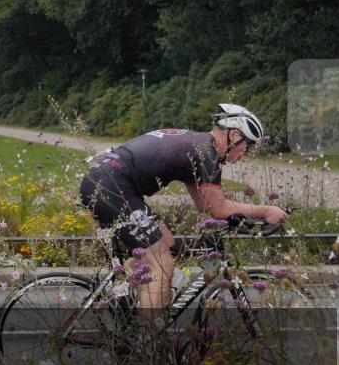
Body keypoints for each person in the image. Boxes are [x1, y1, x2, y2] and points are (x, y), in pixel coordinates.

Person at [79, 103, 289, 311]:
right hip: (111, 186)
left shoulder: (198, 145)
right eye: (248, 145)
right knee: (161, 264)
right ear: (234, 135)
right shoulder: (207, 152)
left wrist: (238, 215)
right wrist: (265, 210)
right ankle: (150, 339)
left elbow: (206, 205)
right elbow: (218, 208)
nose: (247, 153)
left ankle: (123, 292)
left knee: (166, 241)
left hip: (107, 181)